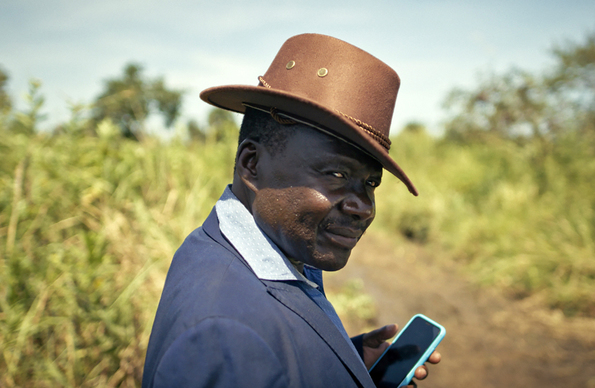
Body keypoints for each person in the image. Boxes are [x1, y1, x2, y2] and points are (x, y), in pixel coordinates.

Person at [142, 33, 441, 388]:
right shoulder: (225, 337)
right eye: (336, 173)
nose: (363, 207)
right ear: (251, 164)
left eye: (370, 183)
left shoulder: (257, 253)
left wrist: (344, 362)